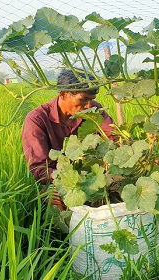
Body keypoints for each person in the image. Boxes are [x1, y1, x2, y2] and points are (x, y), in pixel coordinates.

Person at [22, 68, 114, 210]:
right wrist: (68, 178)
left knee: (111, 190)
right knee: (56, 199)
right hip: (57, 179)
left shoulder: (93, 109)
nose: (88, 106)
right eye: (83, 100)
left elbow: (114, 136)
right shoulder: (37, 119)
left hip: (90, 176)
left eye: (91, 100)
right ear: (64, 94)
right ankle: (58, 230)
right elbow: (39, 168)